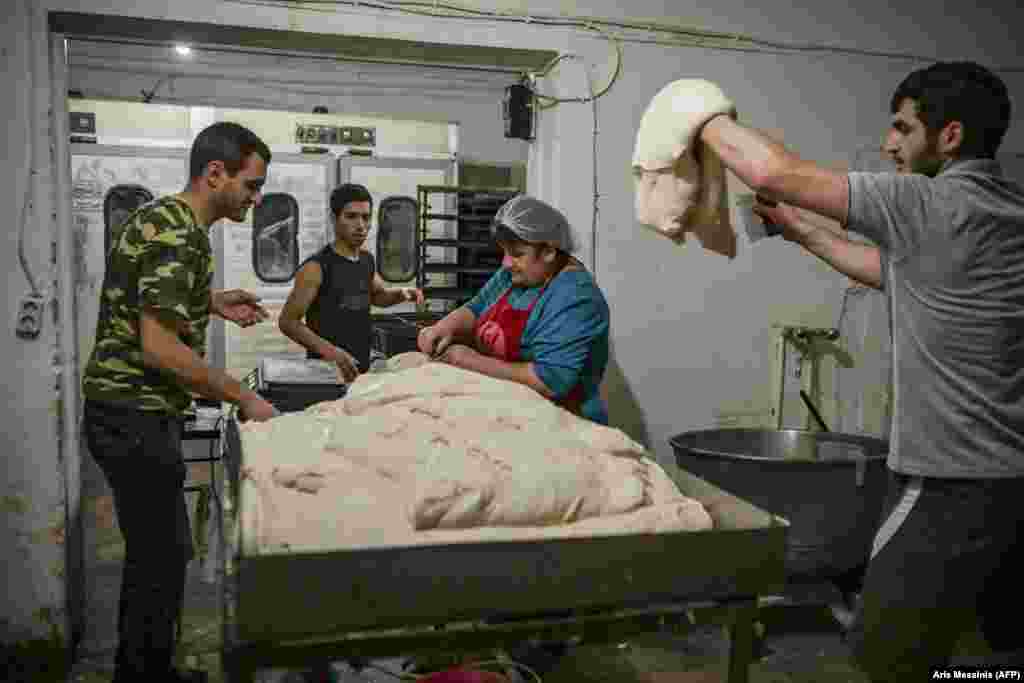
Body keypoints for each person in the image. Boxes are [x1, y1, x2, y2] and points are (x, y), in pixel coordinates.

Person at [698, 61, 1024, 679]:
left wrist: (693, 111)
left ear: (948, 136)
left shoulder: (927, 201)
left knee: (883, 658)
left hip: (950, 484)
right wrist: (799, 233)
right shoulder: (1004, 212)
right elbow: (887, 273)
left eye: (902, 128)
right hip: (1011, 482)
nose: (888, 144)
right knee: (994, 654)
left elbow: (773, 172)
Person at [82, 121, 280, 683]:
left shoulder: (159, 218)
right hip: (134, 414)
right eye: (251, 184)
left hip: (119, 411)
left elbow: (144, 296)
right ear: (214, 173)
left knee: (156, 555)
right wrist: (243, 397)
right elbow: (160, 348)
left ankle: (144, 669)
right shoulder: (181, 234)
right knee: (161, 560)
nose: (255, 197)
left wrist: (210, 301)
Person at [417, 194, 611, 425]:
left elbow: (550, 381)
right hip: (512, 411)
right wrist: (445, 327)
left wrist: (468, 361)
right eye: (504, 252)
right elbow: (478, 308)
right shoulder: (516, 273)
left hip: (562, 423)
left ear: (549, 251)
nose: (506, 263)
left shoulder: (576, 299)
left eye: (517, 254)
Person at [278, 183, 424, 382]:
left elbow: (377, 297)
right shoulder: (316, 267)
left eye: (365, 217)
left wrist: (402, 293)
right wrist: (332, 353)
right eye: (351, 216)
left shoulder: (366, 260)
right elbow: (288, 322)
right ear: (334, 218)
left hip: (360, 371)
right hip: (326, 374)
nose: (361, 225)